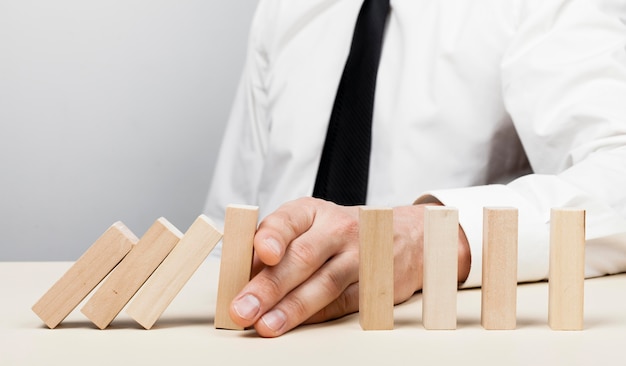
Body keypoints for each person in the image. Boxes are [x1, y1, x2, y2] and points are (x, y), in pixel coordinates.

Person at [205, 0, 626, 337]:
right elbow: (226, 229)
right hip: (270, 343)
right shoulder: (285, 10)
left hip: (440, 355)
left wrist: (428, 242)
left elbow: (617, 173)